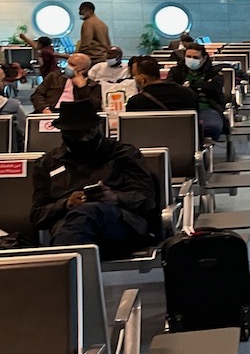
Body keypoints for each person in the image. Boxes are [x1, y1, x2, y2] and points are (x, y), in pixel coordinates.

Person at [29, 100, 159, 258]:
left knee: (89, 211)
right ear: (63, 133)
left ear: (97, 128)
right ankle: (69, 271)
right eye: (76, 135)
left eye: (88, 132)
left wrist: (115, 197)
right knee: (80, 217)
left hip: (121, 225)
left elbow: (147, 199)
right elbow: (37, 216)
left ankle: (61, 271)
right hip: (71, 225)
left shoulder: (124, 155)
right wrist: (66, 204)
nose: (84, 140)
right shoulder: (47, 164)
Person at [168, 40, 229, 141]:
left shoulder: (213, 72)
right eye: (188, 57)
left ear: (204, 58)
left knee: (211, 128)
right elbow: (170, 88)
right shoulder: (176, 71)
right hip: (179, 108)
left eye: (196, 58)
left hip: (206, 107)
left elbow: (213, 88)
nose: (191, 60)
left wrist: (190, 86)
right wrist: (198, 89)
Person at [126, 55, 200, 113]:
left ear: (142, 79)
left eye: (135, 75)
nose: (134, 78)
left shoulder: (136, 102)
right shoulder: (188, 94)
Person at [33, 52, 101, 114]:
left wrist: (82, 88)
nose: (68, 67)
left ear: (83, 69)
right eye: (68, 63)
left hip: (74, 115)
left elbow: (92, 106)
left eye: (72, 65)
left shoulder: (93, 85)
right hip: (51, 110)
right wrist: (44, 108)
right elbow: (37, 95)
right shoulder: (54, 77)